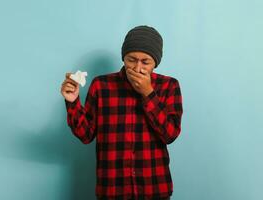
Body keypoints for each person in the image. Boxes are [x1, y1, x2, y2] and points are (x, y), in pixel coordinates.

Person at [60, 25, 183, 200]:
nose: (137, 68)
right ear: (123, 57)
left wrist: (148, 93)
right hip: (112, 190)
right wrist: (72, 102)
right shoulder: (101, 85)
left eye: (145, 62)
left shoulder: (169, 86)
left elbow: (170, 134)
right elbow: (85, 135)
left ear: (155, 62)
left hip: (154, 188)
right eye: (131, 59)